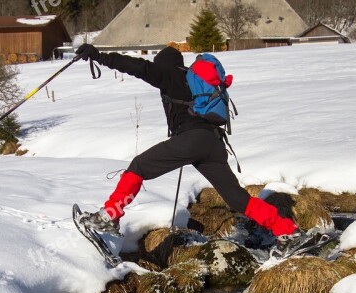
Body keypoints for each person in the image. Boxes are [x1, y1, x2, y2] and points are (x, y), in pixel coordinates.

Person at [74, 43, 304, 251]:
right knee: (238, 200)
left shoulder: (168, 73)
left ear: (163, 64)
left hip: (191, 141)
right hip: (213, 143)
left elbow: (138, 67)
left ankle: (108, 216)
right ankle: (287, 231)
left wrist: (99, 56)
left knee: (138, 166)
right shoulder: (193, 81)